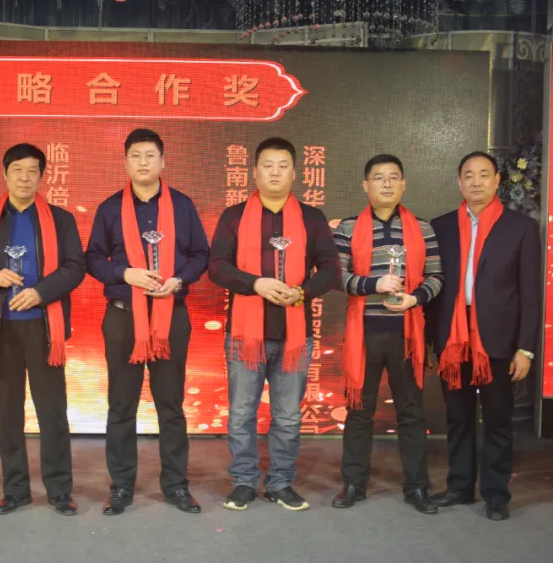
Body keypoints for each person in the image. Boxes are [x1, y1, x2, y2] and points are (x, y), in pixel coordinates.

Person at [85, 128, 210, 516]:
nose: (143, 162)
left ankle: (176, 485)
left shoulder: (183, 206)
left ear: (163, 161)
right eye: (136, 155)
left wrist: (179, 279)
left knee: (171, 405)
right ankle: (121, 486)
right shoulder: (109, 208)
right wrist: (125, 274)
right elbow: (93, 259)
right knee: (121, 405)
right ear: (125, 162)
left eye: (150, 155)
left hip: (171, 316)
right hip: (124, 317)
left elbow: (201, 254)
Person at [210, 137, 339, 511]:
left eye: (283, 166)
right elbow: (217, 267)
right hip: (244, 335)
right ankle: (244, 481)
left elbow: (331, 270)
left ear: (295, 173)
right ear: (255, 171)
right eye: (268, 165)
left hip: (294, 336)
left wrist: (301, 292)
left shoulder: (312, 218)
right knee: (241, 414)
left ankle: (281, 482)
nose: (275, 172)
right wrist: (255, 283)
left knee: (287, 416)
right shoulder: (234, 216)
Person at [0, 144, 85, 516]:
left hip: (45, 329)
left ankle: (59, 490)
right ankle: (15, 490)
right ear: (5, 174)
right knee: (8, 413)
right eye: (17, 170)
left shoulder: (60, 219)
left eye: (32, 171)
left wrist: (41, 292)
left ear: (42, 176)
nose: (25, 178)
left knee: (52, 412)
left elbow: (75, 267)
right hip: (1, 331)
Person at [427, 151, 541, 521]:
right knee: (457, 418)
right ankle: (459, 486)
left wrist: (525, 348)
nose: (476, 181)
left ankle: (496, 494)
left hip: (499, 338)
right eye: (468, 175)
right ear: (459, 182)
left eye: (483, 174)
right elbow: (433, 289)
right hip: (453, 337)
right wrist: (430, 341)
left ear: (496, 181)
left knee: (497, 420)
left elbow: (530, 293)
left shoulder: (520, 228)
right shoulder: (441, 227)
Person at [332, 155, 443, 515]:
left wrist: (415, 298)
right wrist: (374, 284)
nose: (386, 183)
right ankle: (353, 483)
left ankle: (418, 487)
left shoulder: (422, 228)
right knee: (359, 411)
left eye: (393, 177)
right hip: (364, 332)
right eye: (378, 177)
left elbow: (437, 276)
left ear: (403, 185)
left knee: (411, 412)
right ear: (366, 185)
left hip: (406, 334)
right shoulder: (348, 228)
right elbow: (336, 275)